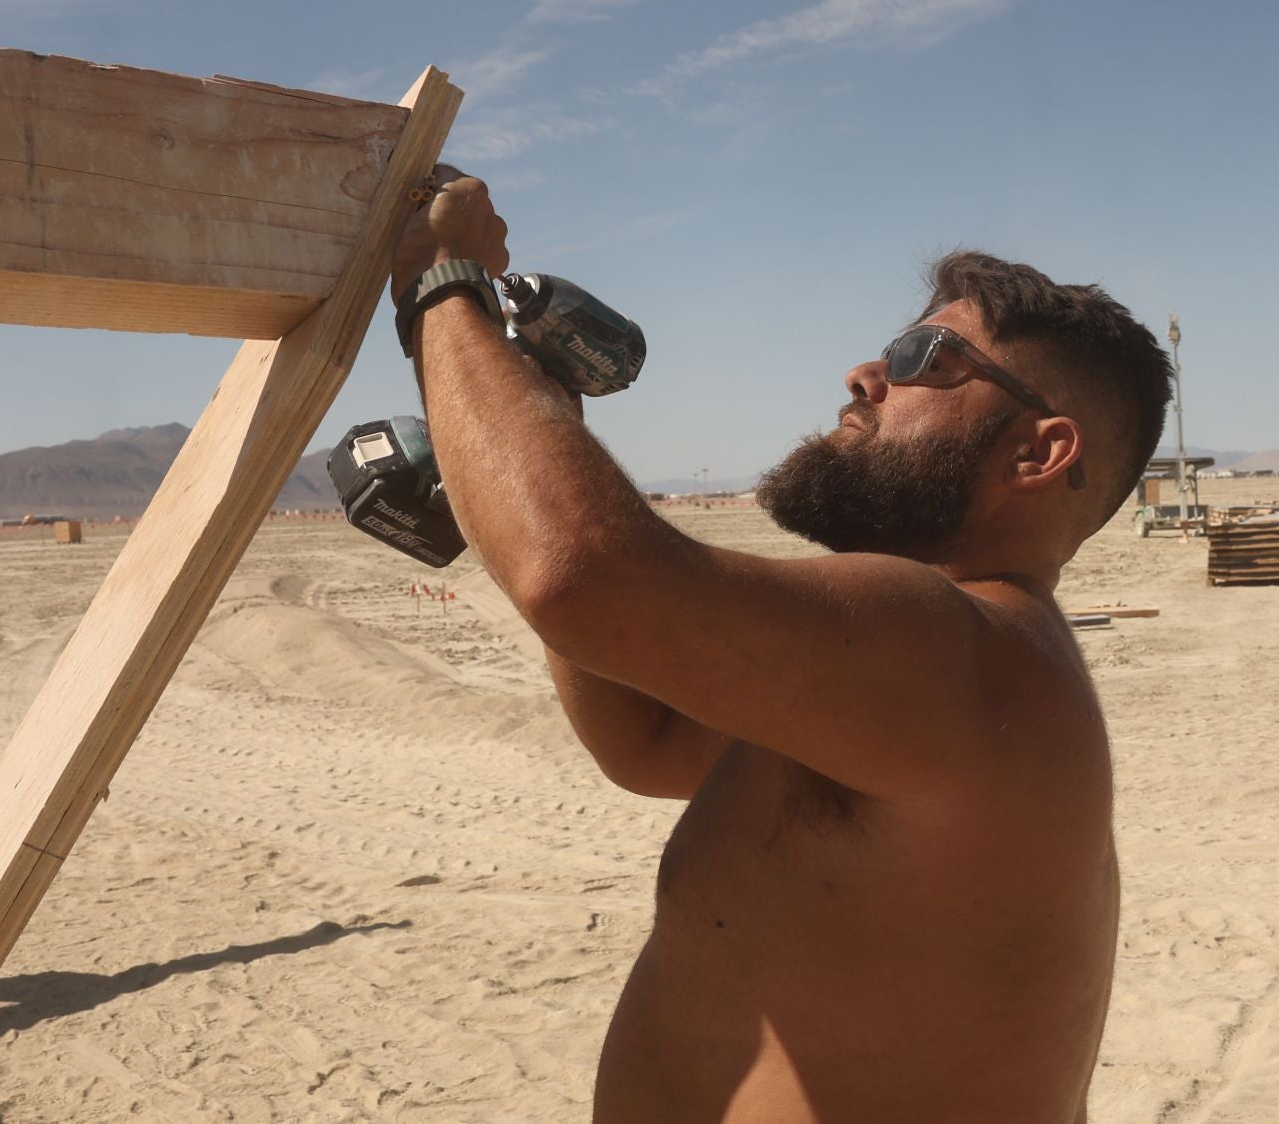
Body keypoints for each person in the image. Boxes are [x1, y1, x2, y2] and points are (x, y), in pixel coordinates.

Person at [389, 168, 1171, 1122]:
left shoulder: (955, 645)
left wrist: (441, 284)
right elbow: (647, 738)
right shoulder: (932, 675)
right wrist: (543, 407)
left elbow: (582, 577)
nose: (866, 374)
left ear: (1038, 453)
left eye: (929, 356)